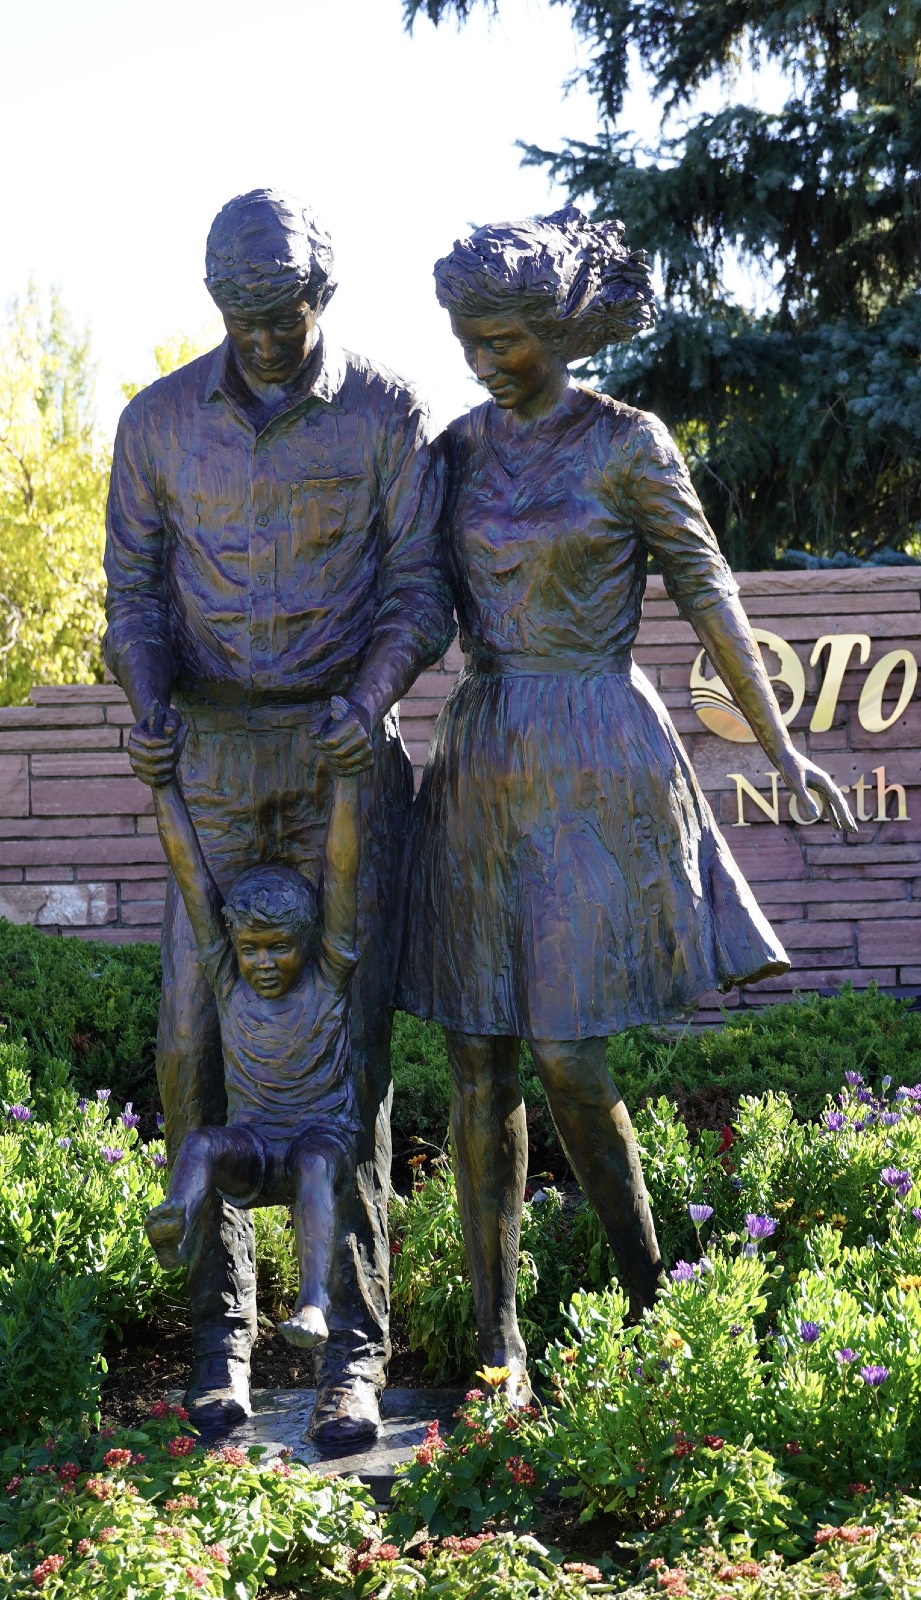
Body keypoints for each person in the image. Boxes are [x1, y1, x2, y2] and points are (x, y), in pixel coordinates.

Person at [399, 205, 856, 1403]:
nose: (482, 360)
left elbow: (712, 594)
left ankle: (651, 1298)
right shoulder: (450, 450)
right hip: (483, 754)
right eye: (465, 338)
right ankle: (500, 1340)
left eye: (502, 338)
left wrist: (780, 745)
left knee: (567, 1052)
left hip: (597, 754)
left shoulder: (629, 442)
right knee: (478, 1058)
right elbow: (409, 604)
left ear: (556, 328)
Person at [104, 189, 454, 1439]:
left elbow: (423, 588)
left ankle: (353, 1351)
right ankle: (223, 1340)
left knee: (342, 1071)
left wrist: (371, 696)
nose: (259, 335)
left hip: (339, 762)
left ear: (324, 294)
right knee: (190, 1048)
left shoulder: (384, 414)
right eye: (237, 313)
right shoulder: (156, 425)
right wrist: (147, 702)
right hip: (207, 759)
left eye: (281, 310)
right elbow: (133, 595)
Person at [137, 698, 360, 1358]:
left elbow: (341, 870)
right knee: (201, 1144)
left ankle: (314, 1303)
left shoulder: (328, 973)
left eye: (278, 948)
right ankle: (177, 1221)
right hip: (258, 1148)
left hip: (322, 1146)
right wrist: (161, 783)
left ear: (308, 941)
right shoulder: (227, 975)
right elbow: (190, 869)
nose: (263, 963)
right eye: (251, 948)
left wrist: (347, 778)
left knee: (317, 1161)